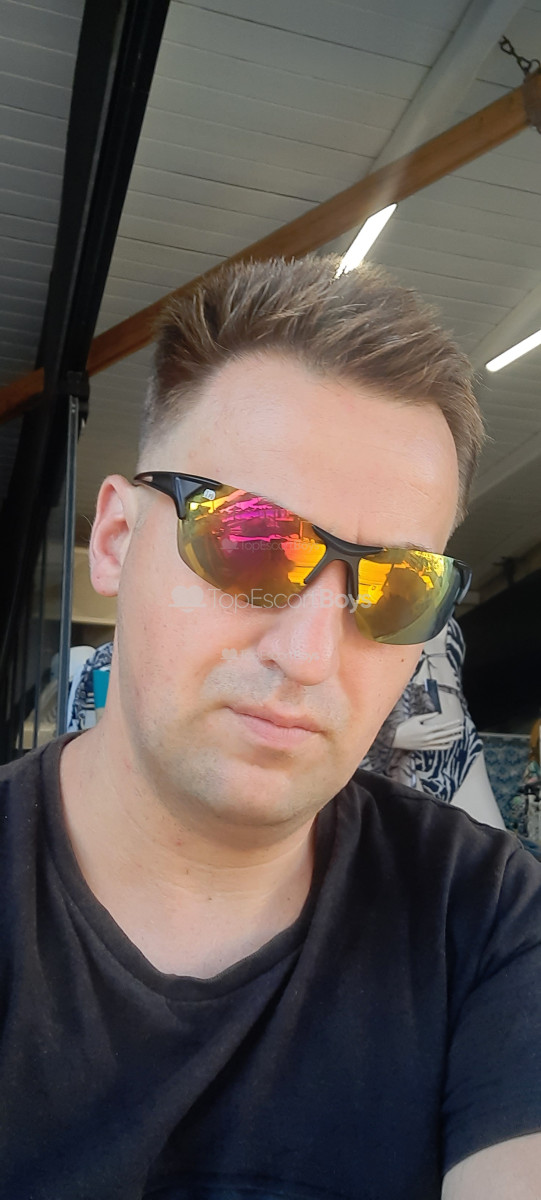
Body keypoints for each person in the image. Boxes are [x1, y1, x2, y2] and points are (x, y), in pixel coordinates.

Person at [1, 255, 540, 1200]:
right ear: (116, 540)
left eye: (395, 587)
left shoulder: (486, 917)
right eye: (249, 542)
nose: (309, 655)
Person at [360, 617, 505, 829]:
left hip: (461, 746)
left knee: (491, 839)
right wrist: (388, 736)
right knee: (409, 838)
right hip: (407, 756)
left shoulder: (449, 622)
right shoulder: (379, 614)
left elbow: (452, 680)